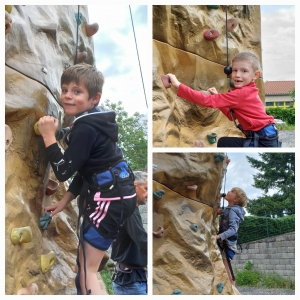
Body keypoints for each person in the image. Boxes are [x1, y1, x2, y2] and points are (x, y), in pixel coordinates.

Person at [38, 63, 137, 295]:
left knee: (87, 270)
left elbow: (63, 171)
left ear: (95, 98)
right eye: (65, 90)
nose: (68, 96)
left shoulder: (86, 128)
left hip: (110, 198)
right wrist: (64, 202)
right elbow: (86, 171)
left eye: (77, 91)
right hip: (118, 193)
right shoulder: (93, 120)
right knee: (84, 265)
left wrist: (49, 137)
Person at [167, 52, 281, 147]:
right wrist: (217, 97)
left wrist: (178, 85)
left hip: (263, 139)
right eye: (235, 70)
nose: (237, 75)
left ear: (255, 75)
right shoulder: (248, 91)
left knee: (224, 143)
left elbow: (206, 101)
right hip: (265, 135)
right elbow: (231, 116)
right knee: (224, 142)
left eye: (244, 71)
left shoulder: (241, 94)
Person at [110, 171, 148, 295]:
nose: (148, 194)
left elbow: (133, 236)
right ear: (135, 186)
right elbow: (142, 240)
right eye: (146, 189)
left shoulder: (127, 208)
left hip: (129, 278)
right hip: (131, 283)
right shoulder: (129, 210)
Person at [217, 188, 247, 285]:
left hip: (227, 243)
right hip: (223, 241)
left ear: (236, 200)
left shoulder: (233, 211)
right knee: (222, 264)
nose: (229, 191)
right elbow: (220, 212)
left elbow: (233, 229)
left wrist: (219, 237)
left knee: (226, 266)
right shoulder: (228, 209)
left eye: (232, 192)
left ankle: (232, 289)